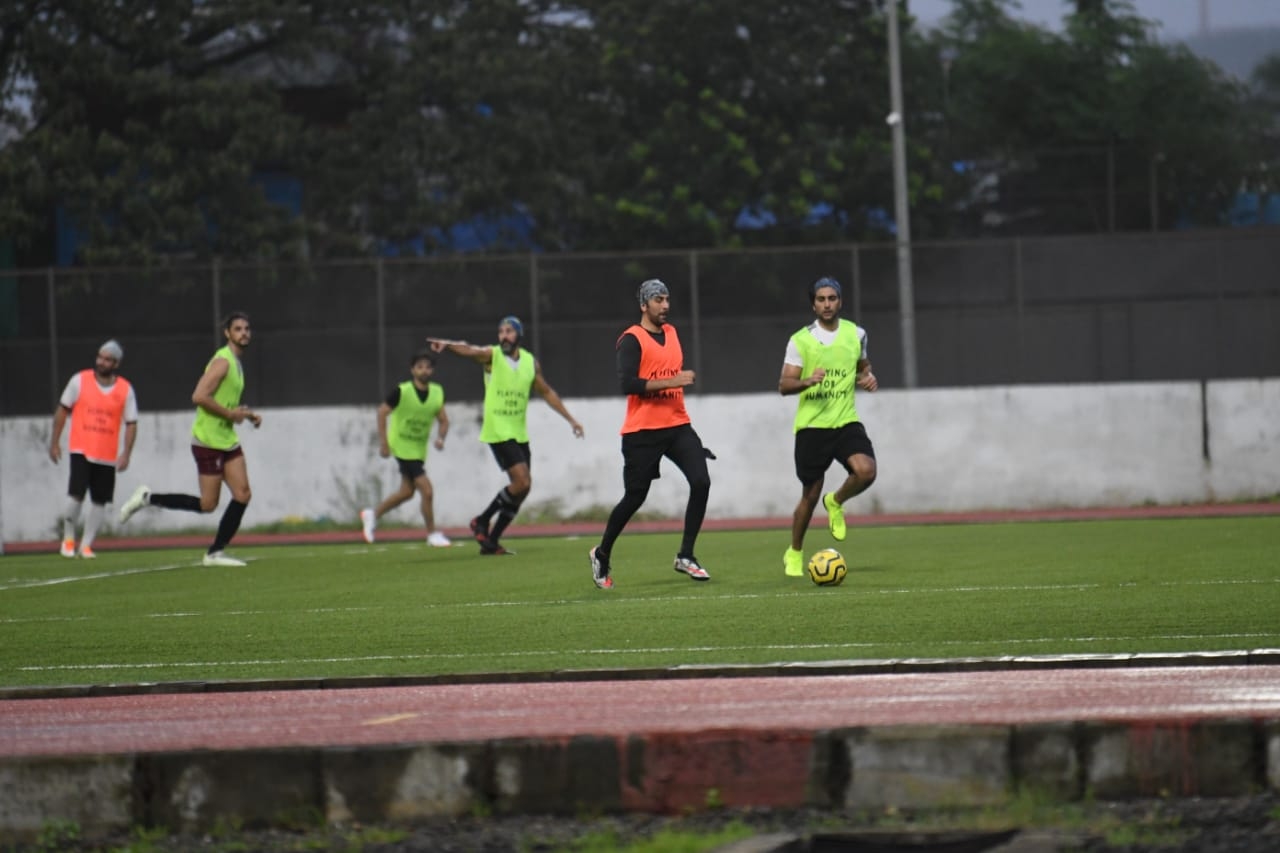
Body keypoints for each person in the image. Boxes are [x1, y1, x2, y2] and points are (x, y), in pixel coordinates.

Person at [587, 279, 714, 589]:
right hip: (642, 431)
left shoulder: (671, 333)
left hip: (677, 425)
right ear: (644, 305)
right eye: (658, 299)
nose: (665, 305)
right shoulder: (631, 339)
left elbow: (670, 379)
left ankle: (686, 555)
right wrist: (673, 380)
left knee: (701, 480)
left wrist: (695, 443)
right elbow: (628, 384)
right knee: (635, 497)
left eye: (667, 299)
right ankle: (601, 553)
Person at [428, 315, 584, 555]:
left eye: (509, 331)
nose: (504, 336)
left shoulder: (530, 363)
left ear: (519, 335)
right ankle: (482, 520)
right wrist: (447, 345)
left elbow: (547, 392)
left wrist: (571, 419)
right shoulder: (493, 356)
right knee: (521, 482)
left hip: (518, 432)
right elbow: (469, 350)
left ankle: (491, 540)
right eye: (501, 331)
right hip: (498, 429)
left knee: (523, 488)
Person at [118, 311, 262, 567]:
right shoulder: (224, 362)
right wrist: (230, 414)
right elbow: (198, 396)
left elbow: (224, 400)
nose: (244, 333)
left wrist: (246, 415)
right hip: (207, 440)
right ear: (228, 333)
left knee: (243, 494)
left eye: (247, 329)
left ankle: (215, 552)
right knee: (208, 504)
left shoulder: (236, 364)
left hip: (226, 437)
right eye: (238, 329)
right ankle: (147, 498)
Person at [778, 276, 879, 577]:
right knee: (809, 494)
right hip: (812, 427)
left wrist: (867, 377)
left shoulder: (856, 334)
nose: (826, 304)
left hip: (845, 421)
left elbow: (863, 366)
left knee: (866, 471)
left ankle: (835, 502)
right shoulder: (801, 340)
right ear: (813, 304)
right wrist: (806, 381)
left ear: (840, 301)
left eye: (831, 298)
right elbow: (784, 385)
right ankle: (794, 551)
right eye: (821, 299)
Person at [48, 339, 139, 559]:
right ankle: (68, 539)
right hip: (81, 448)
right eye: (100, 357)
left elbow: (131, 422)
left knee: (101, 500)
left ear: (116, 363)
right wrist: (55, 442)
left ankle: (86, 545)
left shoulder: (125, 389)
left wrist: (126, 453)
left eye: (108, 359)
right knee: (76, 495)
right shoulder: (79, 381)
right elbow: (62, 410)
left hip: (106, 454)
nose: (102, 362)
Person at [359, 349, 451, 547]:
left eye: (428, 367)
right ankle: (432, 533)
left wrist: (441, 438)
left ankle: (372, 515)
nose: (424, 371)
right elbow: (382, 412)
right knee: (427, 491)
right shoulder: (402, 391)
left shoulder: (437, 392)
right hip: (401, 447)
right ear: (412, 370)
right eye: (420, 367)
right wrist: (383, 443)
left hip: (418, 450)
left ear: (432, 370)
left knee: (407, 492)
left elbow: (444, 420)